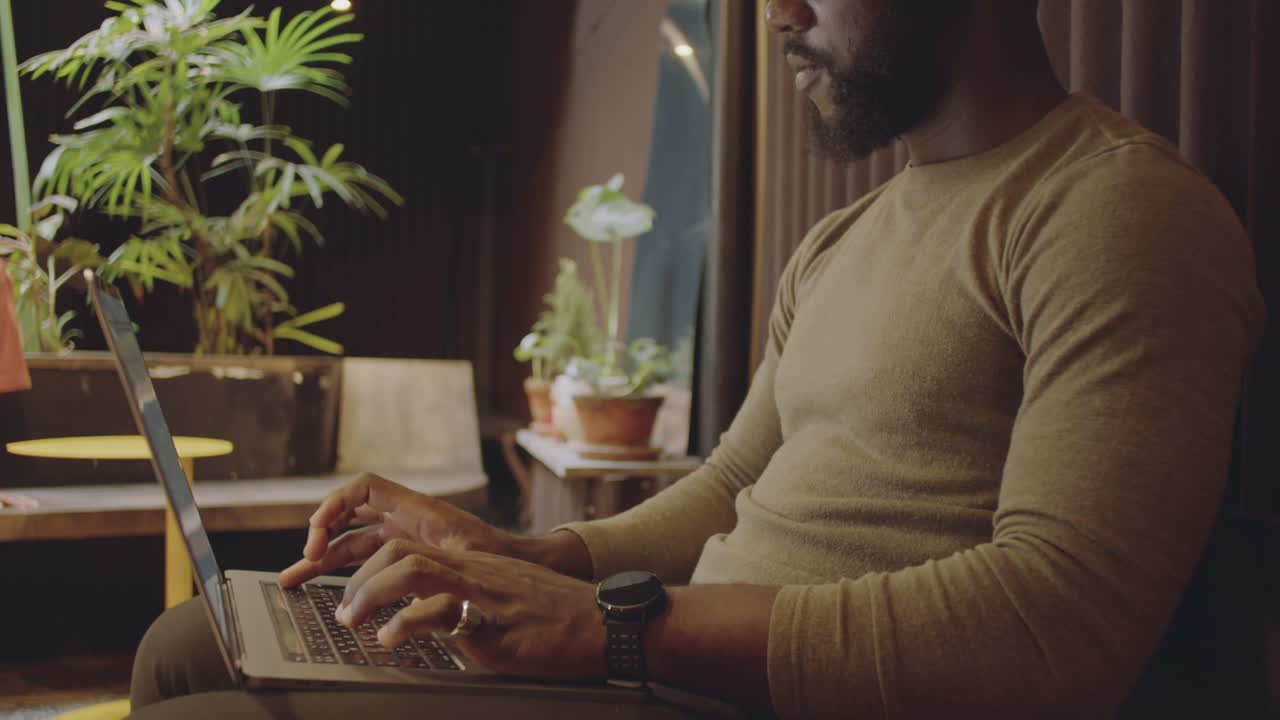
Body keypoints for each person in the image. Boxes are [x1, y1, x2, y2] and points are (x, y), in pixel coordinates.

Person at [128, 0, 1265, 718]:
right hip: (658, 659)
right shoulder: (845, 237)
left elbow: (1051, 637)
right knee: (195, 637)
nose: (775, 14)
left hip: (727, 685)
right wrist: (526, 555)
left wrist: (612, 626)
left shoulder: (1113, 208)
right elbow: (726, 490)